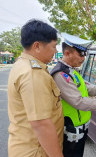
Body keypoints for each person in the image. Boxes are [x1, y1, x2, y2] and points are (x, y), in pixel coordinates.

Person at [50, 33, 96, 157]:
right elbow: (79, 101)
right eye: (81, 54)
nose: (83, 58)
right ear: (67, 53)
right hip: (71, 129)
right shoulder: (62, 74)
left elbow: (84, 87)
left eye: (85, 54)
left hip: (79, 127)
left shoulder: (71, 70)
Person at [7, 19, 64, 157]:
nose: (55, 51)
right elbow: (41, 124)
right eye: (53, 46)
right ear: (37, 46)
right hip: (36, 151)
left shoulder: (22, 64)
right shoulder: (33, 74)